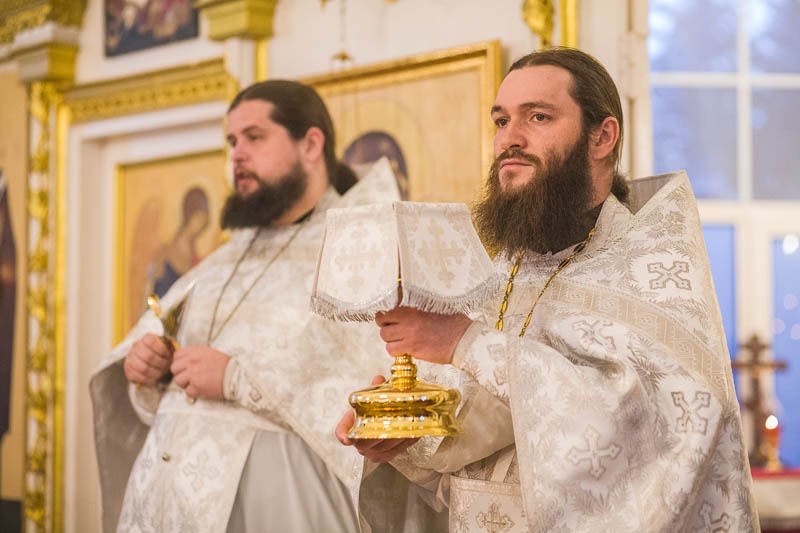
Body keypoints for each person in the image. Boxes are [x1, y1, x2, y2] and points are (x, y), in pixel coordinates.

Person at [336, 47, 758, 532]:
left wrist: (465, 343)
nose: (509, 140)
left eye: (537, 117)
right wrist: (406, 430)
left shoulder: (651, 270)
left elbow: (657, 428)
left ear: (602, 137)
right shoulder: (498, 272)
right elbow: (482, 440)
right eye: (501, 121)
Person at [91, 80, 398, 532]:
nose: (237, 154)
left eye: (254, 137)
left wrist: (236, 378)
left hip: (280, 504)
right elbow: (167, 366)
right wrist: (149, 368)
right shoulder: (227, 257)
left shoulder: (363, 250)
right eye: (232, 141)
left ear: (311, 145)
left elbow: (376, 384)